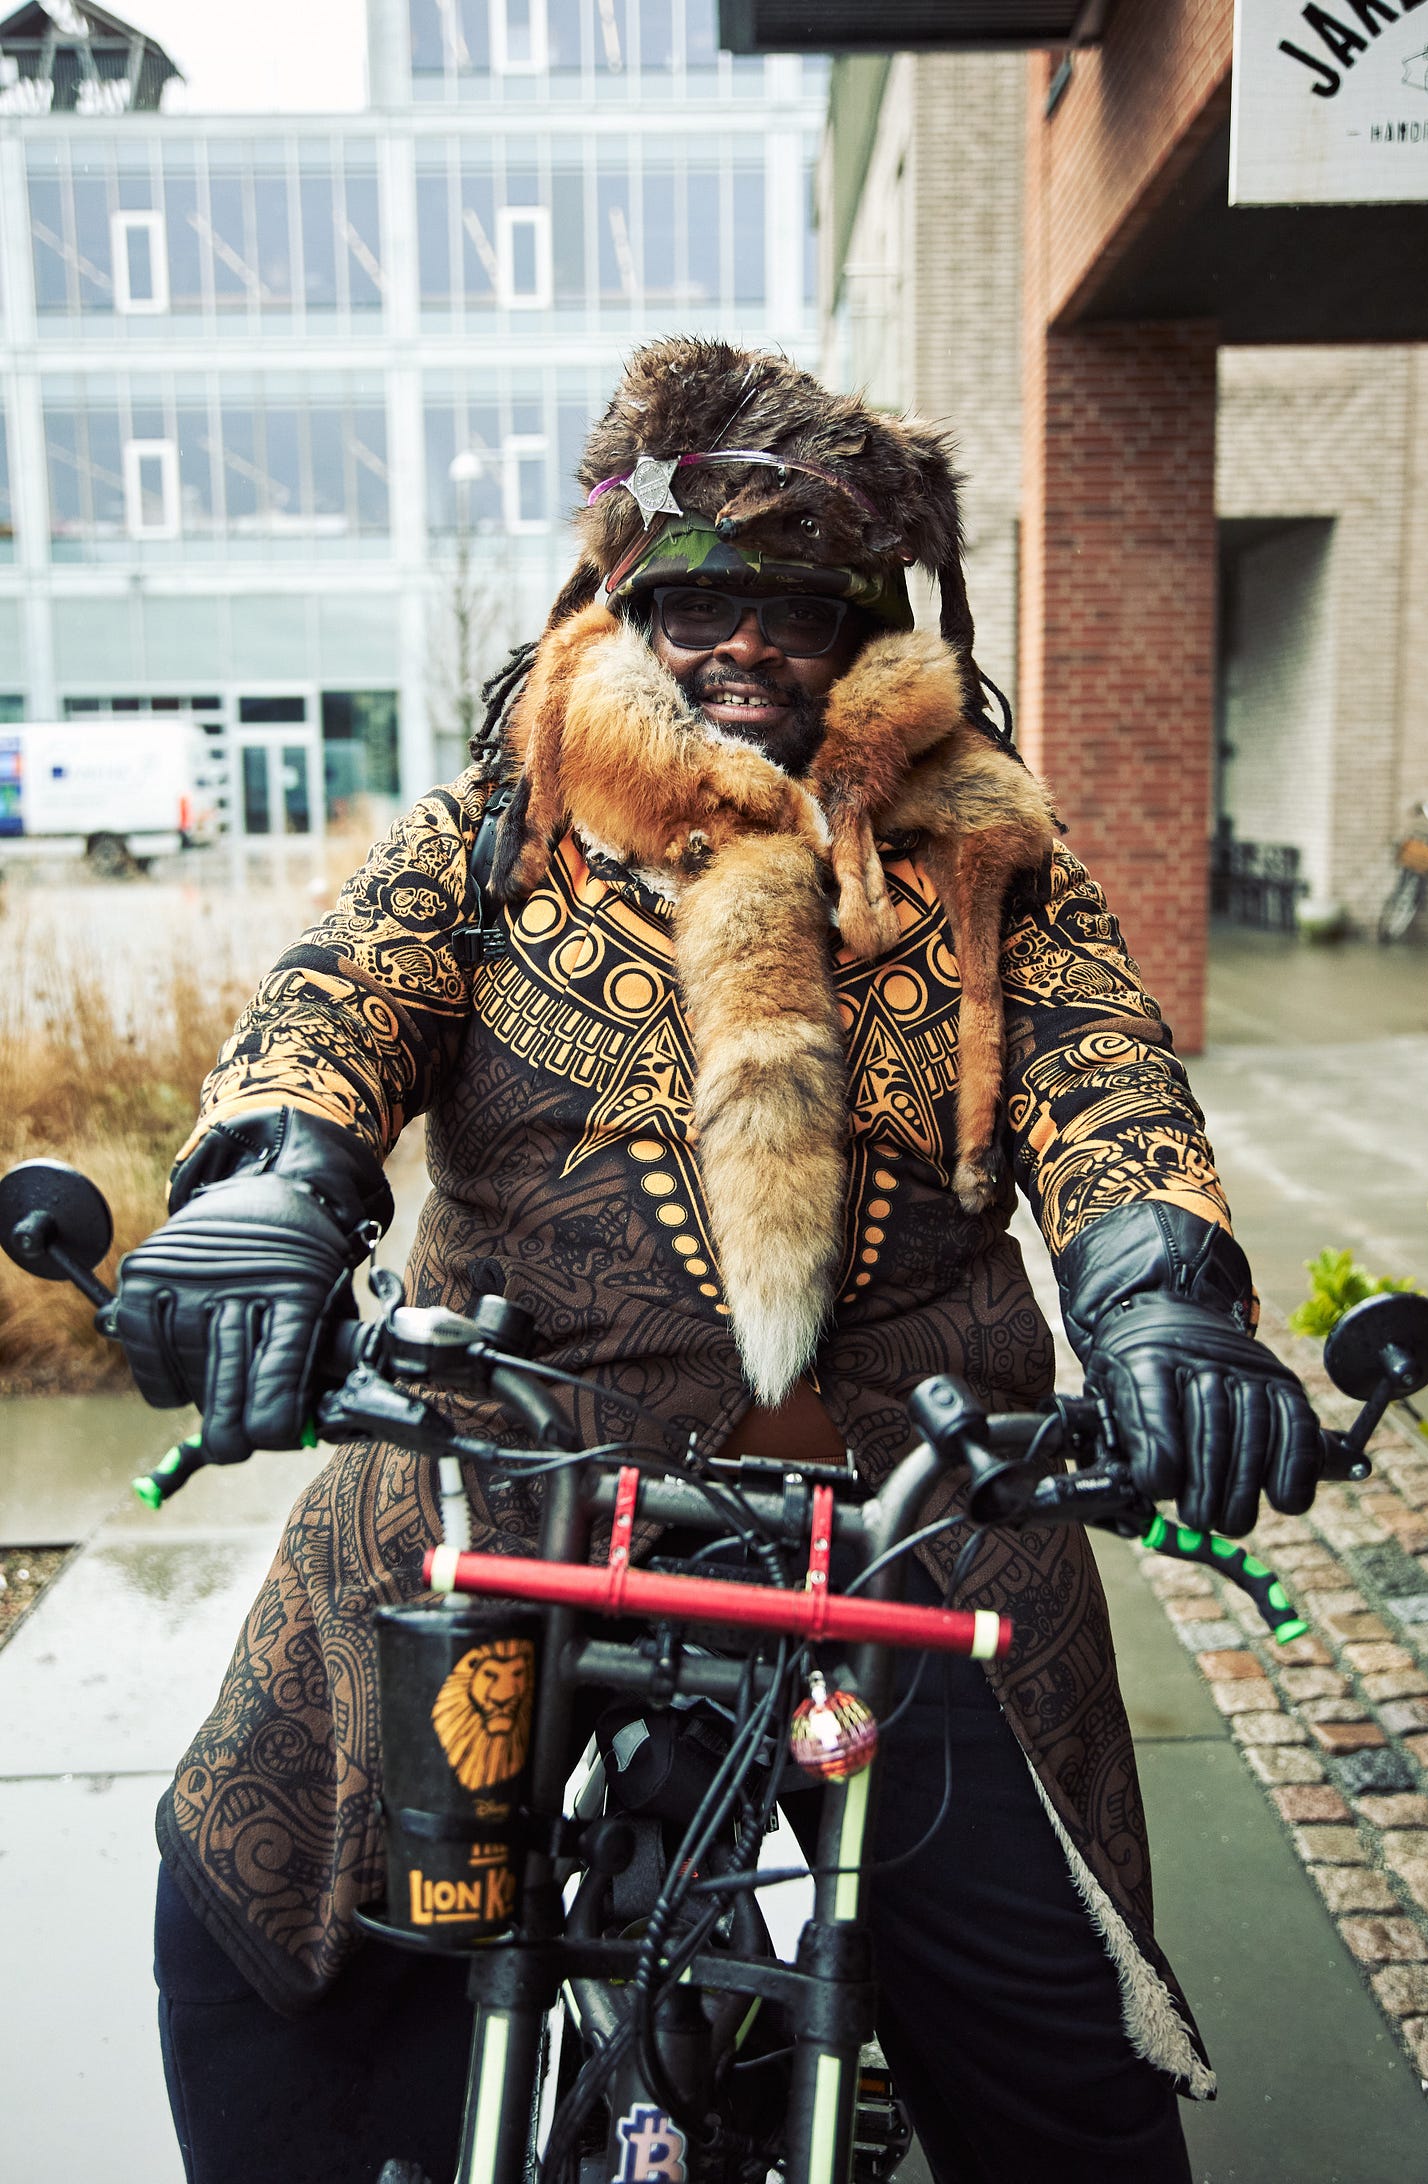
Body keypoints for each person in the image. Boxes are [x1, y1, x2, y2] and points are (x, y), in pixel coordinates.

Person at [115, 341, 1323, 2184]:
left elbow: (1101, 1070)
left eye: (798, 611)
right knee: (273, 1923)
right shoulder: (499, 823)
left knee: (1055, 2039)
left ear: (869, 632)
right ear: (630, 611)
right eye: (700, 607)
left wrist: (1162, 1300)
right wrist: (275, 1189)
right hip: (511, 1457)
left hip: (916, 1493)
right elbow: (344, 993)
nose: (747, 645)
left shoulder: (992, 852)